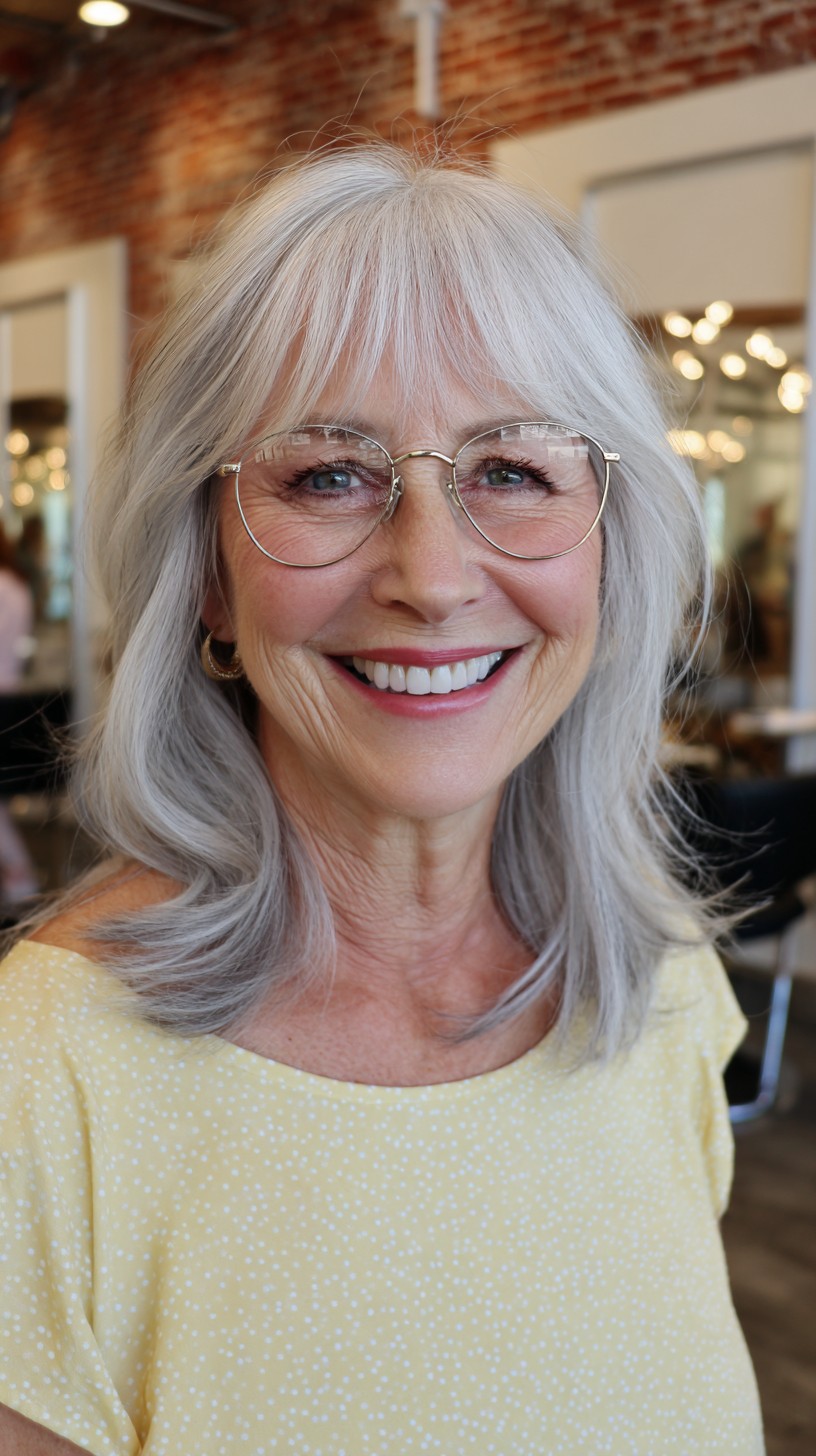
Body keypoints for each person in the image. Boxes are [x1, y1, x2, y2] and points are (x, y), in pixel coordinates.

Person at [0, 144, 764, 1455]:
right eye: (328, 475)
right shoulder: (46, 1083)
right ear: (210, 583)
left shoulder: (661, 985)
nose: (430, 573)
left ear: (607, 552)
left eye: (513, 471)